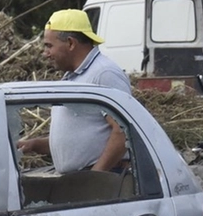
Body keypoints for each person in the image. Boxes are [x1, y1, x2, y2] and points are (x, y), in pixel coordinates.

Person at [17, 9, 132, 173]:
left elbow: (123, 131)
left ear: (70, 43)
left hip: (104, 180)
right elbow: (78, 139)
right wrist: (35, 145)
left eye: (49, 46)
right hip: (83, 179)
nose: (45, 54)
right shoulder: (72, 76)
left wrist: (95, 176)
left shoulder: (104, 73)